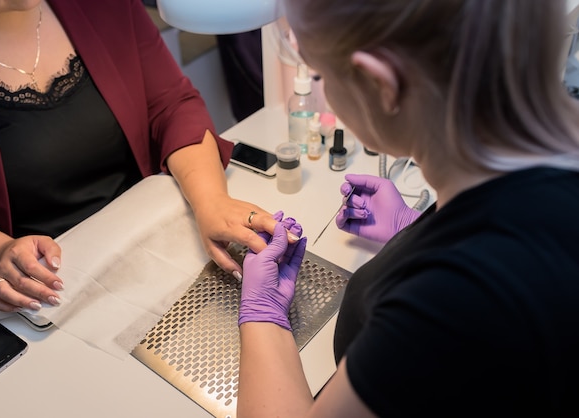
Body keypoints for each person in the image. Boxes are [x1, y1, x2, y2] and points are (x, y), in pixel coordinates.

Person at [237, 0, 579, 417]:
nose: (321, 86)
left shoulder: (446, 307)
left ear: (382, 83)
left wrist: (262, 313)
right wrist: (418, 229)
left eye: (322, 74)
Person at [0, 0, 281, 308]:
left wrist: (211, 201)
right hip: (41, 292)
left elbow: (171, 106)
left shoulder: (103, 6)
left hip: (143, 252)